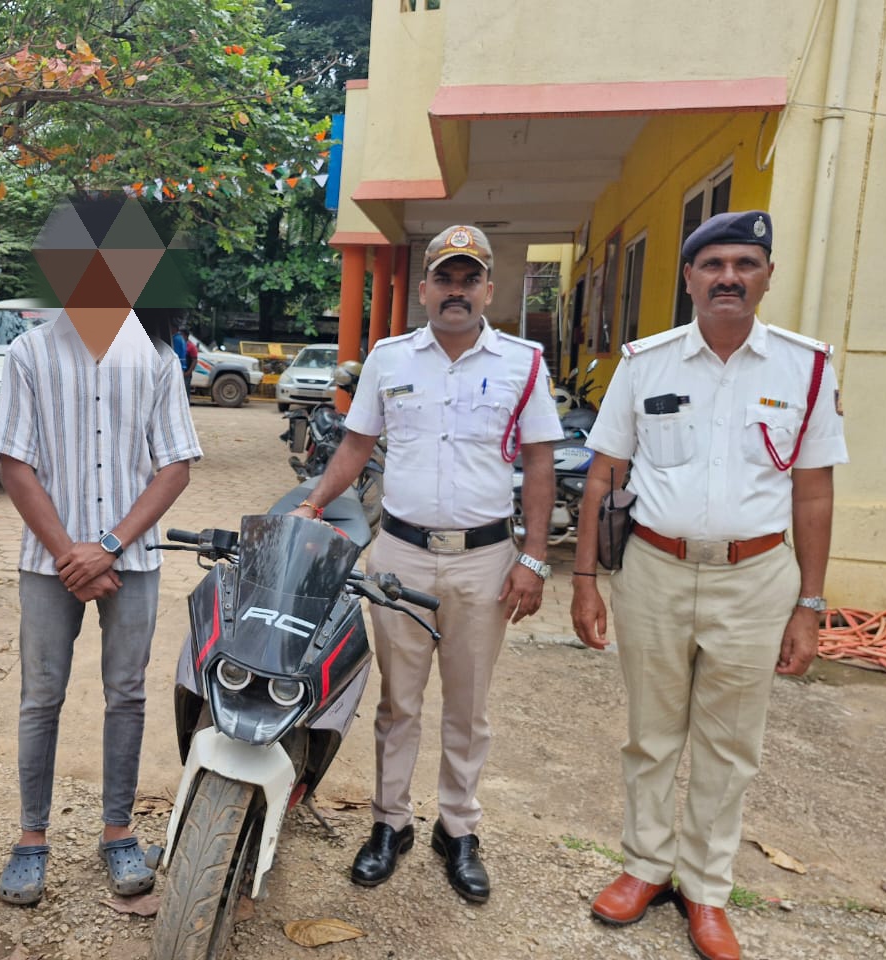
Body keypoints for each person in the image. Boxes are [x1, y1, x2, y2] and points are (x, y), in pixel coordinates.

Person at [571, 211, 848, 960]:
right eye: (714, 264)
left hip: (758, 576)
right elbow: (606, 474)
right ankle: (644, 867)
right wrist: (586, 580)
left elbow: (814, 493)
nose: (729, 277)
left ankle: (706, 890)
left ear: (766, 275)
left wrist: (810, 605)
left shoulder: (806, 367)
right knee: (651, 734)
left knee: (730, 745)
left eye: (745, 263)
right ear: (689, 277)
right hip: (655, 571)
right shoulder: (645, 361)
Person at [291, 225, 562, 902]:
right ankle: (390, 822)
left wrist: (534, 557)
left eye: (470, 280)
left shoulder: (523, 362)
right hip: (402, 555)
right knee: (397, 702)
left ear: (489, 290)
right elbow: (356, 447)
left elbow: (538, 464)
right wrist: (314, 504)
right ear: (424, 289)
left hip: (485, 559)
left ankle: (458, 829)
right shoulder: (388, 358)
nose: (457, 291)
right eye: (445, 278)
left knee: (469, 707)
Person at [0, 210, 201, 906]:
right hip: (47, 563)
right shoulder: (29, 354)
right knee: (40, 697)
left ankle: (117, 831)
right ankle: (30, 838)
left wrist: (107, 545)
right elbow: (15, 464)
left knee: (127, 696)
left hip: (129, 564)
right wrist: (68, 555)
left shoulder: (158, 359)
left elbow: (173, 467)